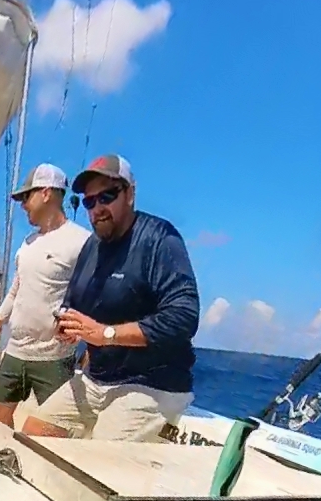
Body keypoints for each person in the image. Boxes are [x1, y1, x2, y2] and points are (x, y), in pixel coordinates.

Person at [22, 154, 200, 442]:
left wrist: (105, 334)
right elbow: (72, 303)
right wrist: (66, 324)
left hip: (151, 385)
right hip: (96, 380)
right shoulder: (91, 247)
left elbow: (183, 318)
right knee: (33, 433)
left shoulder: (159, 238)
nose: (97, 209)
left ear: (130, 194)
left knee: (96, 456)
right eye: (90, 202)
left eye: (107, 196)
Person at [0, 164, 90, 427]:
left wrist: (88, 340)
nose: (23, 205)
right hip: (16, 350)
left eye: (26, 197)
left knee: (51, 426)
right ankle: (5, 460)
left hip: (54, 355)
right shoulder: (28, 243)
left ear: (47, 193)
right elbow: (17, 288)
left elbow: (95, 295)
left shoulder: (81, 241)